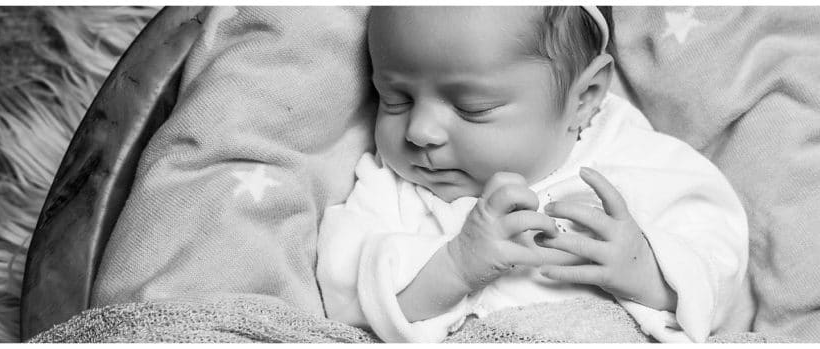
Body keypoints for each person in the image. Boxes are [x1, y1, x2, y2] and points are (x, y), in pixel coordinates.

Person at [316, 6, 748, 343]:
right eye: (394, 99)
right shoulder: (391, 187)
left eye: (472, 108)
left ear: (584, 99)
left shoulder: (640, 161)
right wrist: (454, 268)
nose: (419, 131)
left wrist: (647, 272)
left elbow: (719, 262)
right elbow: (347, 298)